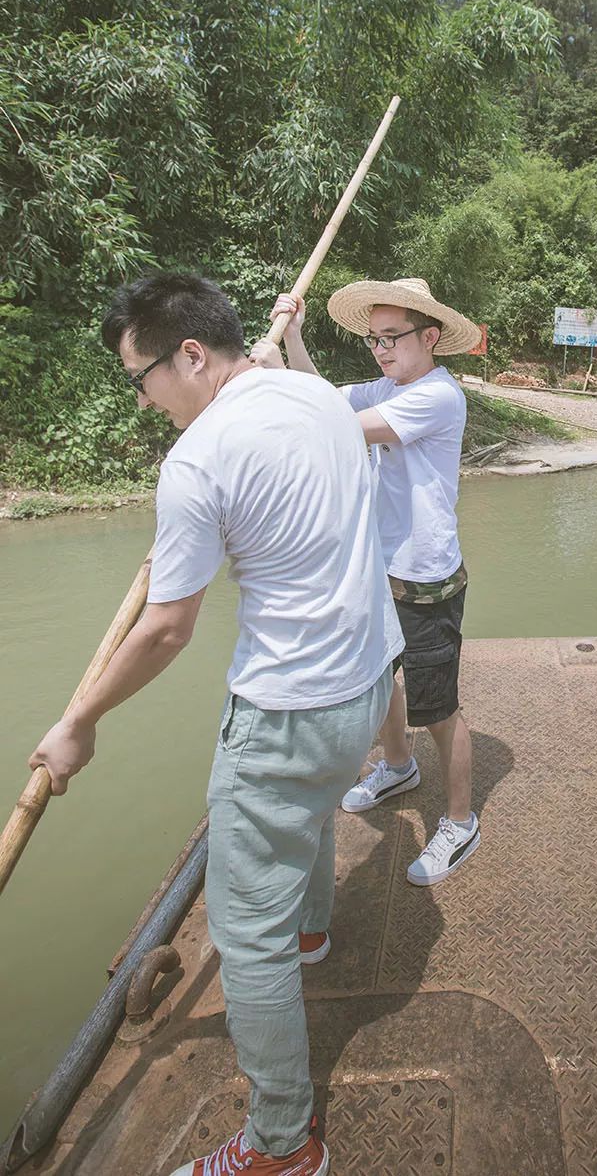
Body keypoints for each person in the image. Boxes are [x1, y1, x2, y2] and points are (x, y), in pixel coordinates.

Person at [29, 273, 403, 1176]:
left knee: (245, 938)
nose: (143, 396)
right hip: (362, 689)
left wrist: (79, 720)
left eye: (141, 376)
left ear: (191, 356)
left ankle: (281, 1143)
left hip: (285, 717)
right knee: (308, 820)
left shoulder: (199, 461)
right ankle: (311, 930)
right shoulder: (315, 396)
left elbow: (166, 627)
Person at [251, 277, 481, 886]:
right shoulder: (391, 384)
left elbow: (333, 426)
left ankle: (459, 821)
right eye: (374, 339)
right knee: (380, 681)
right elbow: (325, 397)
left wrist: (273, 374)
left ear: (429, 338)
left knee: (440, 708)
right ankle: (398, 767)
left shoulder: (436, 395)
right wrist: (294, 342)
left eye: (392, 338)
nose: (380, 350)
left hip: (426, 578)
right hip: (379, 570)